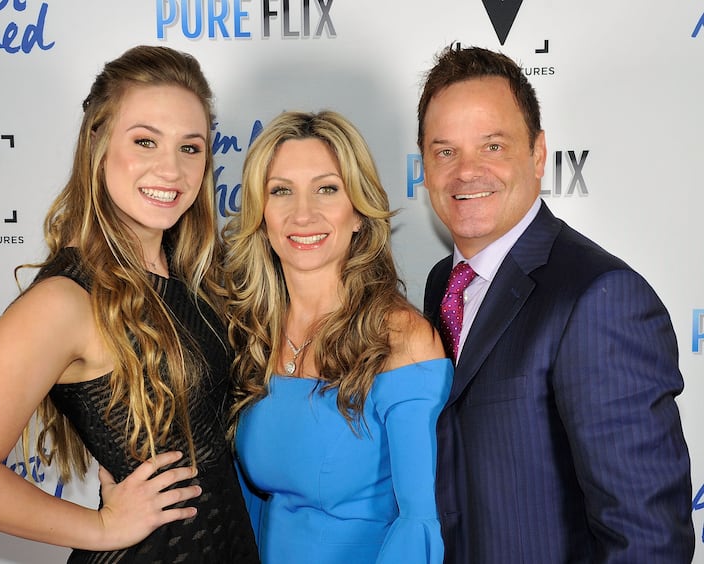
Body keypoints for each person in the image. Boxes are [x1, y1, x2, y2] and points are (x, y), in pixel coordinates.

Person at [0, 45, 259, 563]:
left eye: (190, 148)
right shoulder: (65, 301)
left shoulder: (192, 274)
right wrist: (101, 527)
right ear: (97, 142)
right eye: (145, 141)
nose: (171, 169)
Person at [417, 44, 694, 563]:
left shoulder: (600, 298)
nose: (466, 171)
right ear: (425, 167)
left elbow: (646, 538)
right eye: (445, 151)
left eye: (493, 146)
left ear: (538, 153)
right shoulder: (441, 285)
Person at [223, 110, 452, 563]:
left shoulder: (402, 341)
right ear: (261, 216)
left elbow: (421, 522)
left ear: (358, 213)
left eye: (327, 189)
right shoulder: (252, 335)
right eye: (281, 191)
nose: (303, 213)